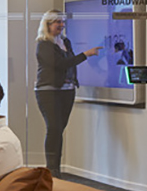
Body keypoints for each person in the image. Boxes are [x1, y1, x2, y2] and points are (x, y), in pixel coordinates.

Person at [34, 10, 102, 176]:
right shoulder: (43, 44)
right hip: (48, 91)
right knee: (54, 128)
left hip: (67, 90)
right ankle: (52, 169)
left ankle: (56, 169)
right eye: (58, 22)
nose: (62, 25)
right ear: (48, 24)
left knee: (59, 129)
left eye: (63, 22)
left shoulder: (65, 41)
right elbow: (61, 64)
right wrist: (86, 54)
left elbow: (69, 63)